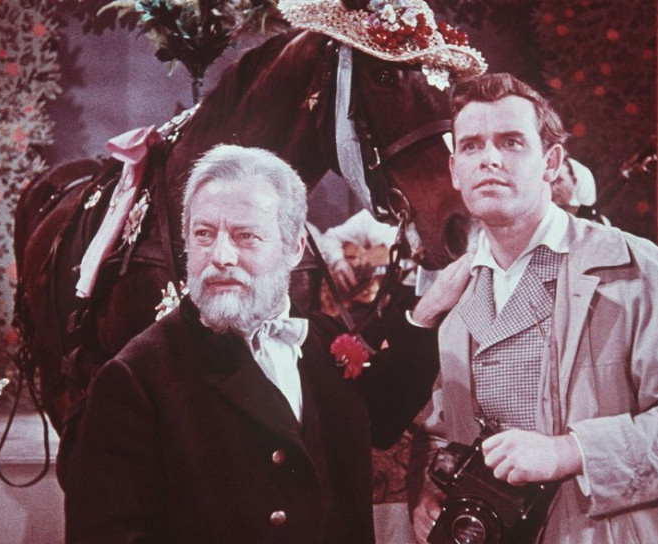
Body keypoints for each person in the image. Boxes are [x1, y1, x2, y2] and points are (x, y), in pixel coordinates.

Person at [62, 144, 467, 543]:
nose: (221, 255)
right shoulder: (132, 380)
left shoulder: (320, 338)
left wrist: (428, 310)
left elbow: (381, 417)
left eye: (246, 236)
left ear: (294, 248)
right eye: (204, 234)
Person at [407, 73, 658, 543]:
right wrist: (431, 492)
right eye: (472, 146)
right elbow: (438, 428)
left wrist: (571, 452)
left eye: (511, 142)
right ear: (455, 170)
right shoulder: (454, 295)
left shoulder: (642, 272)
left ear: (551, 162)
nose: (489, 159)